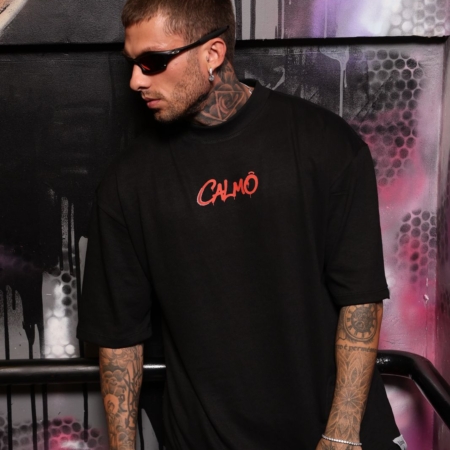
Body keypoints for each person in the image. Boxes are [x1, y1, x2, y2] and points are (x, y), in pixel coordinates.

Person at [76, 0, 405, 449]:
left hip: (334, 435)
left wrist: (342, 436)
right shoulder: (127, 184)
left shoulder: (325, 144)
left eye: (152, 61)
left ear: (212, 53)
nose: (136, 80)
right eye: (132, 64)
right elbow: (119, 340)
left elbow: (360, 299)